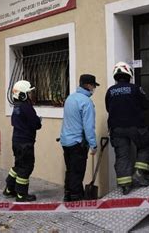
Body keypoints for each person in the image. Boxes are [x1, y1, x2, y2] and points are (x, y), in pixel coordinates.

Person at [105, 62, 149, 195]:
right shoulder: (136, 88)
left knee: (122, 156)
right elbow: (146, 105)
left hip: (116, 129)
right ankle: (139, 173)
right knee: (146, 146)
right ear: (129, 75)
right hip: (136, 126)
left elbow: (108, 108)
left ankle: (125, 185)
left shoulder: (110, 91)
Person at [60, 74, 99, 202]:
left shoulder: (70, 98)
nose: (94, 88)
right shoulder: (86, 102)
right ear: (88, 85)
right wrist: (93, 145)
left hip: (66, 141)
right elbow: (88, 127)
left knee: (70, 170)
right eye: (93, 86)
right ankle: (76, 199)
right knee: (77, 171)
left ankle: (68, 195)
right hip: (78, 143)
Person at [3, 80, 42, 202]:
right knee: (26, 167)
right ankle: (21, 195)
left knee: (19, 165)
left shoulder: (17, 106)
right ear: (22, 94)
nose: (32, 95)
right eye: (29, 93)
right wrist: (38, 121)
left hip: (17, 141)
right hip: (26, 143)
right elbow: (36, 124)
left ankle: (9, 189)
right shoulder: (27, 107)